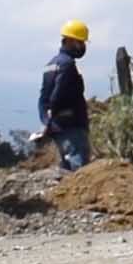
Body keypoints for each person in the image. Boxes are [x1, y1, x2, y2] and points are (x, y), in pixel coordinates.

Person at [38, 19, 91, 171]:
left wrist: (46, 121)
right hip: (72, 126)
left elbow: (43, 98)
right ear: (69, 40)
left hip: (58, 128)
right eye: (80, 42)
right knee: (80, 171)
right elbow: (57, 95)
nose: (82, 46)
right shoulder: (67, 64)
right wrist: (53, 114)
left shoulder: (51, 64)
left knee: (67, 172)